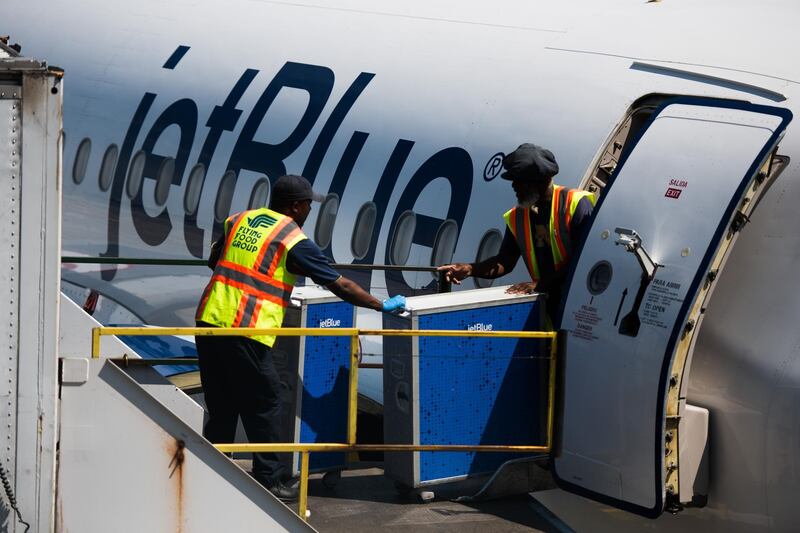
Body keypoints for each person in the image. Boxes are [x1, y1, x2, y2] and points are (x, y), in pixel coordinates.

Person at [194, 174, 406, 502]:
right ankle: (271, 481)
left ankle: (208, 472)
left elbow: (214, 260)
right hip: (245, 328)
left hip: (209, 318)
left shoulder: (240, 219)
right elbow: (339, 285)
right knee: (267, 401)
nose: (310, 209)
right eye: (308, 204)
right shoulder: (291, 238)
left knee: (222, 404)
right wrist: (380, 305)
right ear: (295, 206)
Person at [437, 143, 595, 326]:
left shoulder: (576, 204)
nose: (513, 186)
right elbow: (505, 261)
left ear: (536, 181)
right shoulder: (518, 216)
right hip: (546, 306)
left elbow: (582, 263)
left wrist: (539, 284)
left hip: (575, 308)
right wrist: (470, 269)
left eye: (517, 180)